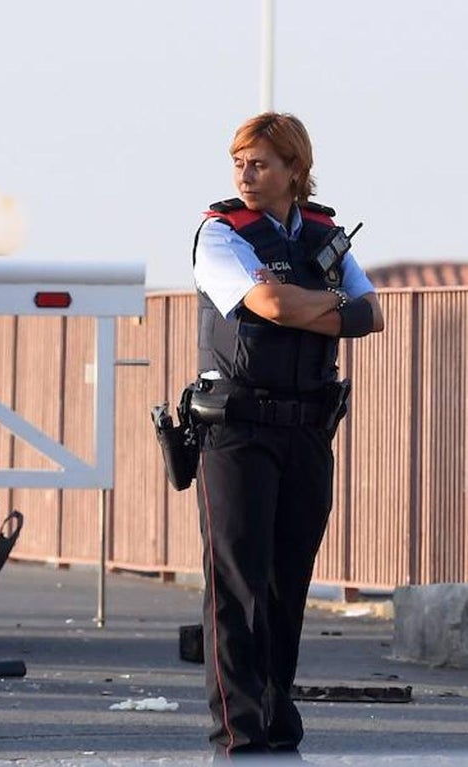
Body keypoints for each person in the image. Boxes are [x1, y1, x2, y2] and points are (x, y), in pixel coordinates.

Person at [190, 112, 384, 761]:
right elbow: (268, 308)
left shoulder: (327, 234)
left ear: (294, 170)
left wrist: (298, 300)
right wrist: (317, 305)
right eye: (240, 161)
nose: (246, 174)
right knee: (238, 582)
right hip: (237, 430)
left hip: (307, 428)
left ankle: (276, 711)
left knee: (288, 579)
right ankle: (238, 727)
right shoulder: (221, 235)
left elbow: (370, 312)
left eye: (261, 163)